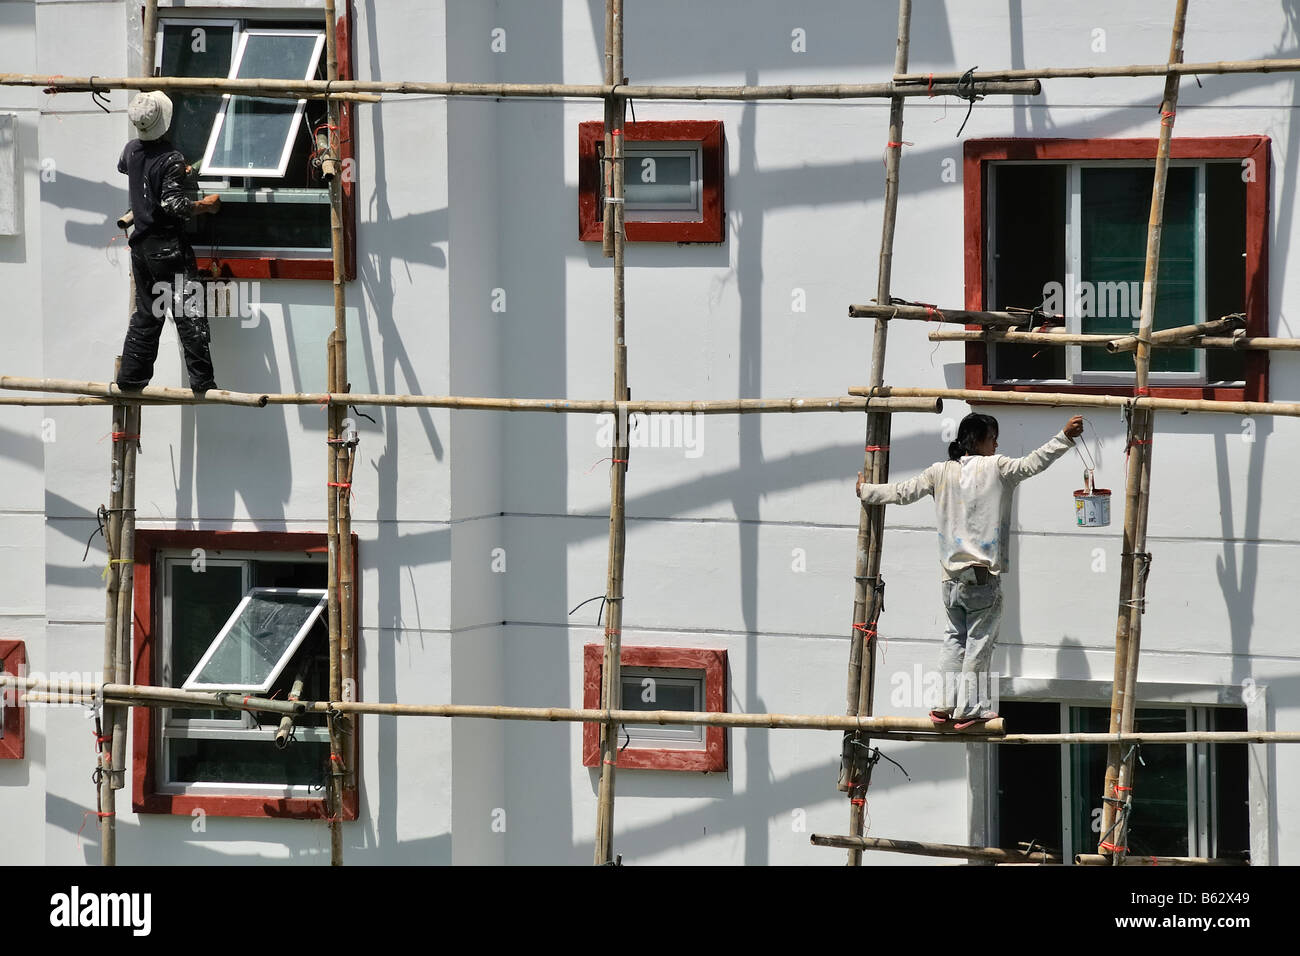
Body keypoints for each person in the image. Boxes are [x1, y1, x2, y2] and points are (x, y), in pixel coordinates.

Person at [856, 412, 1084, 728]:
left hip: (950, 578)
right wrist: (1065, 437)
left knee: (954, 640)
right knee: (979, 642)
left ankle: (943, 705)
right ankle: (969, 709)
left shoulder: (940, 472)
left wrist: (867, 491)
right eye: (993, 437)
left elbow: (902, 492)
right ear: (978, 439)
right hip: (981, 578)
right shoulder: (998, 468)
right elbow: (1034, 462)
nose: (996, 444)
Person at [116, 91, 222, 392]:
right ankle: (203, 383)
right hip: (167, 247)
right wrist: (207, 204)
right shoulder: (171, 158)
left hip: (141, 249)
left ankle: (130, 378)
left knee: (148, 313)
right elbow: (175, 206)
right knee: (189, 314)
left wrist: (171, 174)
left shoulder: (132, 149)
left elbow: (126, 167)